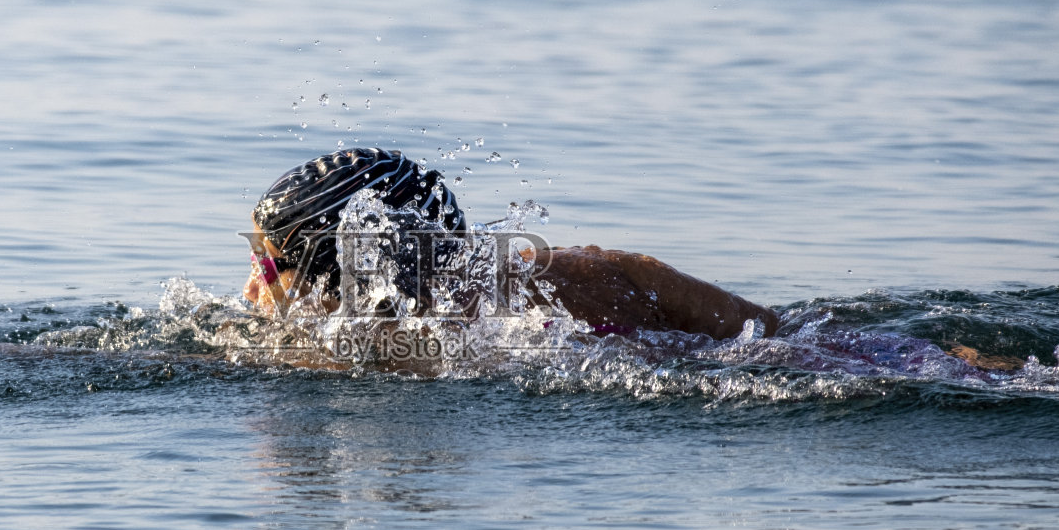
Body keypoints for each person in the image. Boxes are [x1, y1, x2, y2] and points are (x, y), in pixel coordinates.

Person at [242, 147, 779, 340]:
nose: (249, 290)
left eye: (263, 267)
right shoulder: (604, 268)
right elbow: (773, 333)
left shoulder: (381, 351)